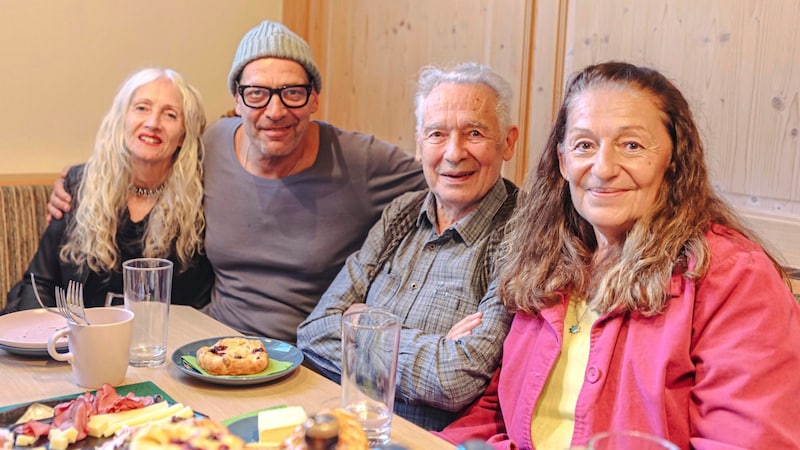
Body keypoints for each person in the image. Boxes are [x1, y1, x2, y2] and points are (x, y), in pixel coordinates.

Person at [438, 62, 800, 449]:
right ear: (563, 161)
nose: (604, 168)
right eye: (584, 145)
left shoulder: (735, 277)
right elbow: (494, 411)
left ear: (674, 160)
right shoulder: (546, 262)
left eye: (631, 145)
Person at [46, 21, 426, 342]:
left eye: (292, 93)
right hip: (209, 349)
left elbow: (443, 180)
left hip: (307, 358)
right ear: (237, 100)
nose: (275, 111)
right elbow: (146, 157)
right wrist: (78, 181)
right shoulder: (211, 145)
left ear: (314, 99)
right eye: (257, 94)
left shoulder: (358, 160)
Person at [297, 62, 518, 431]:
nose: (453, 153)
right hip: (337, 422)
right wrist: (433, 346)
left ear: (507, 142)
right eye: (436, 134)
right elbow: (314, 331)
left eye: (474, 133)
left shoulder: (520, 230)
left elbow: (453, 380)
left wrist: (361, 325)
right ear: (419, 144)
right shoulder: (402, 211)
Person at [3, 68, 213, 313]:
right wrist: (45, 338)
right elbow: (39, 282)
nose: (153, 123)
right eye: (141, 108)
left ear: (183, 136)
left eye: (170, 115)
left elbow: (199, 302)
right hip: (72, 343)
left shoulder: (200, 203)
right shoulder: (80, 185)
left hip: (160, 345)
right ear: (121, 120)